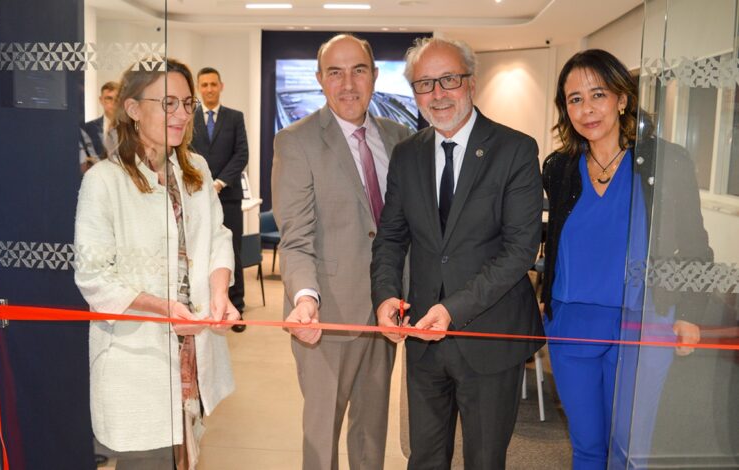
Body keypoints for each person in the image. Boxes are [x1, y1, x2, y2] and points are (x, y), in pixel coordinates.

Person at [371, 37, 544, 469]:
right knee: (424, 456)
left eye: (449, 79)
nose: (438, 94)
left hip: (489, 334)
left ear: (471, 81)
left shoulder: (515, 149)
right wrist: (386, 295)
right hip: (423, 339)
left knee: (485, 459)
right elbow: (391, 237)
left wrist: (452, 309)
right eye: (424, 84)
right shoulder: (407, 154)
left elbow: (520, 249)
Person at [540, 49, 710, 469]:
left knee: (629, 449)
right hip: (572, 325)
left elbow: (694, 245)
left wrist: (688, 312)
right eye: (574, 99)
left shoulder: (665, 161)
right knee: (587, 448)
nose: (587, 108)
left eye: (598, 94)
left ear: (622, 98)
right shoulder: (559, 167)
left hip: (642, 323)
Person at [74, 58, 239, 470]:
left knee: (185, 456)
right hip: (135, 358)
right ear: (132, 109)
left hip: (192, 353)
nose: (183, 114)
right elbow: (94, 276)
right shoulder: (104, 182)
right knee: (147, 457)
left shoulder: (194, 169)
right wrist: (162, 308)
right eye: (168, 103)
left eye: (187, 103)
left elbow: (217, 236)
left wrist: (219, 292)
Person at [272, 34, 411, 470]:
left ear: (374, 76)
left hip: (386, 310)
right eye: (335, 72)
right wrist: (305, 298)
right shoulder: (296, 142)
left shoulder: (401, 138)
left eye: (358, 70)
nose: (347, 83)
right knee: (321, 438)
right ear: (319, 80)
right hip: (326, 315)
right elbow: (295, 237)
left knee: (372, 434)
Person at [191, 67, 249, 332]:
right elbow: (186, 154)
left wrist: (218, 182)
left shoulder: (235, 118)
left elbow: (241, 154)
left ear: (221, 86)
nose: (209, 89)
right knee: (200, 249)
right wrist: (203, 184)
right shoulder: (189, 117)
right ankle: (205, 305)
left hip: (228, 196)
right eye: (204, 85)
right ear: (199, 88)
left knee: (232, 250)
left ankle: (236, 307)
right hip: (196, 196)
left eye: (213, 84)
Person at [80, 81, 119, 173]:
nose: (113, 103)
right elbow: (83, 161)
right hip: (97, 179)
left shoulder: (131, 129)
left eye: (117, 99)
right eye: (109, 98)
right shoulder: (86, 129)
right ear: (101, 100)